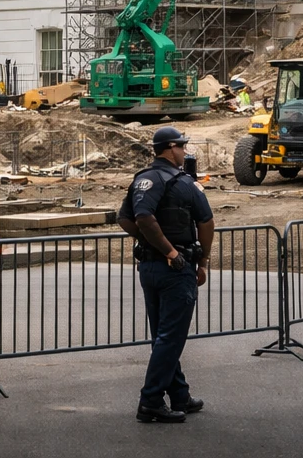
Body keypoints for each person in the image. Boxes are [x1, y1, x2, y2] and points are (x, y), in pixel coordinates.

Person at [118, 127, 214, 424]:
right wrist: (186, 256)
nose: (184, 152)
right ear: (170, 148)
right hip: (176, 268)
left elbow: (127, 219)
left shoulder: (141, 179)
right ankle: (151, 401)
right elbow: (207, 222)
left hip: (149, 267)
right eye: (182, 147)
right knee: (171, 337)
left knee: (163, 335)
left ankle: (180, 394)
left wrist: (151, 242)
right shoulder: (185, 184)